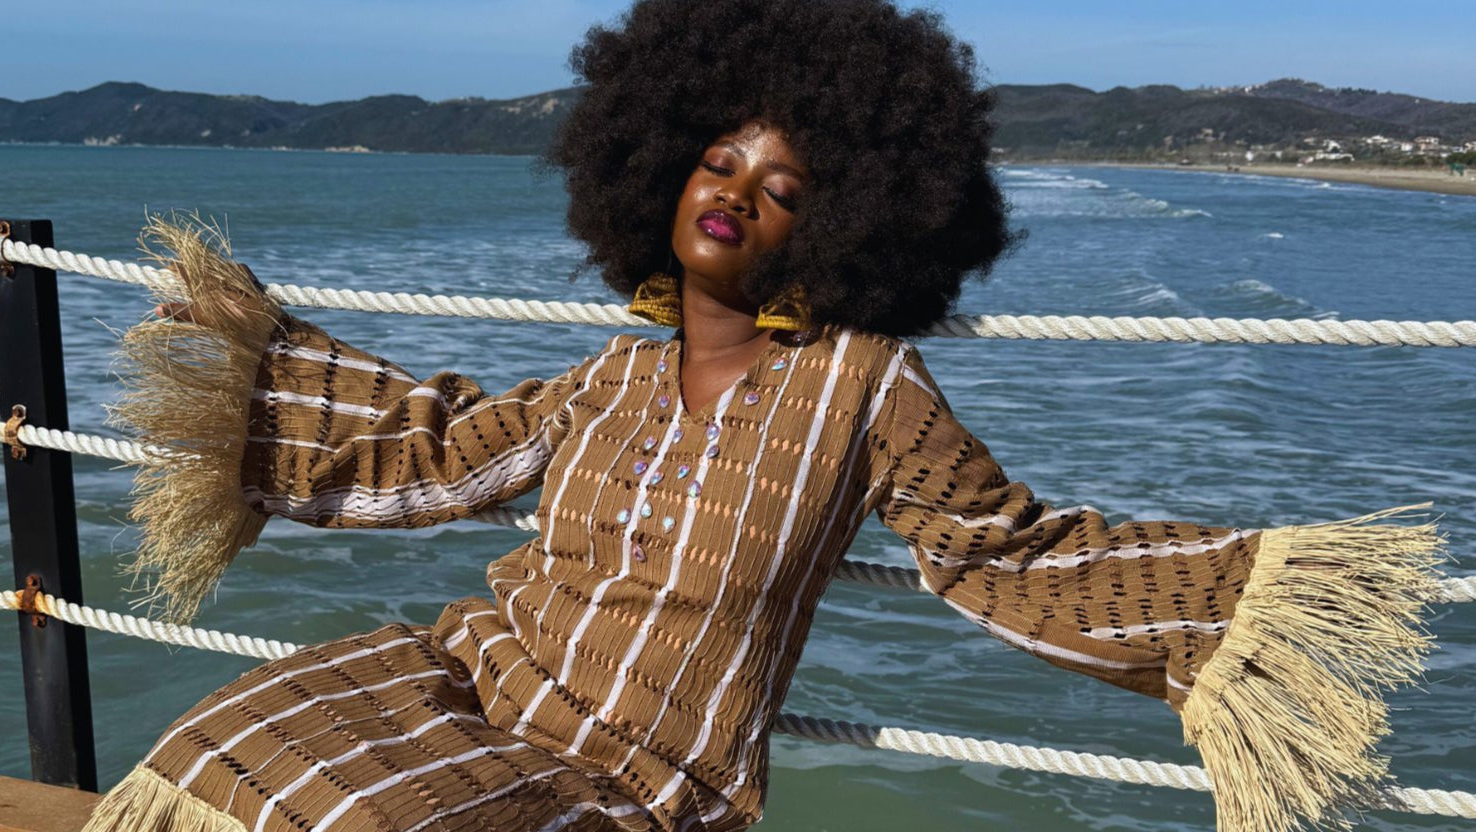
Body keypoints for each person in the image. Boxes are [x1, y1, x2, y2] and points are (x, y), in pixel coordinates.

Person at [83, 1, 1444, 831]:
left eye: (784, 185)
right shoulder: (606, 378)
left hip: (637, 773)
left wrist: (1256, 607)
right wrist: (261, 344)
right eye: (718, 158)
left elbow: (1000, 552)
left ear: (839, 224)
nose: (733, 190)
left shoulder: (864, 388)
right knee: (225, 741)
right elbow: (434, 450)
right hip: (473, 678)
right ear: (657, 166)